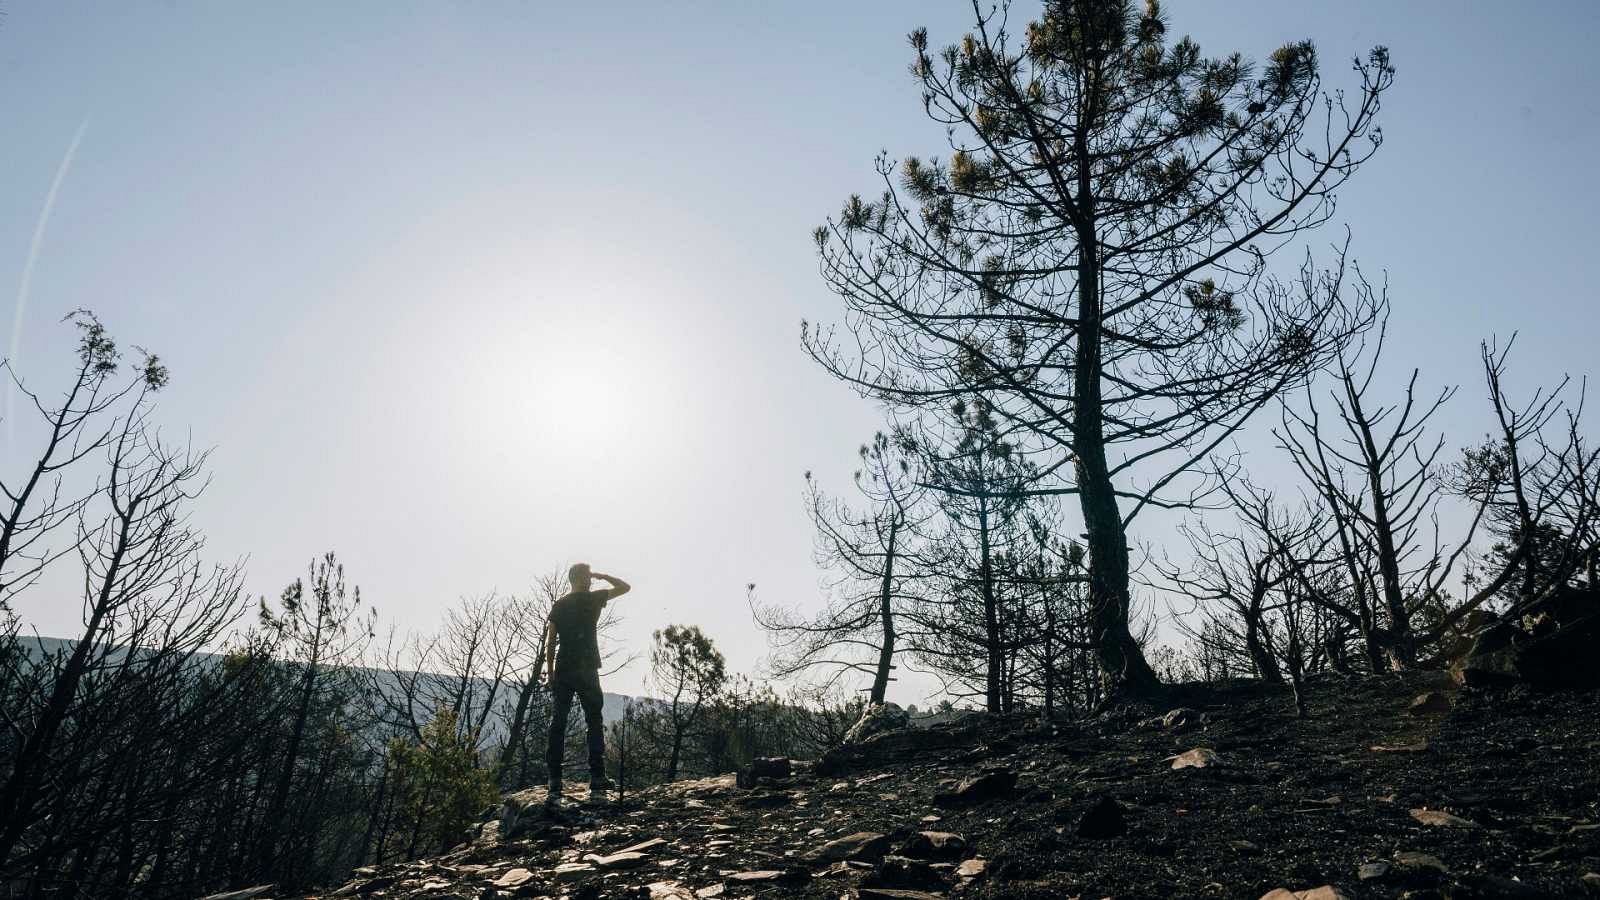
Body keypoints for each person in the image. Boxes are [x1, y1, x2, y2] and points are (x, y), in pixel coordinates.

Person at [543, 562, 630, 807]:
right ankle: (597, 777)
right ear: (581, 578)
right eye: (588, 576)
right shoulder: (594, 599)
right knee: (593, 720)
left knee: (558, 722)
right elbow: (625, 587)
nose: (590, 580)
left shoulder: (559, 605)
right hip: (587, 668)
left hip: (564, 669)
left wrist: (550, 673)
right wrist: (604, 575)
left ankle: (555, 780)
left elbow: (550, 642)